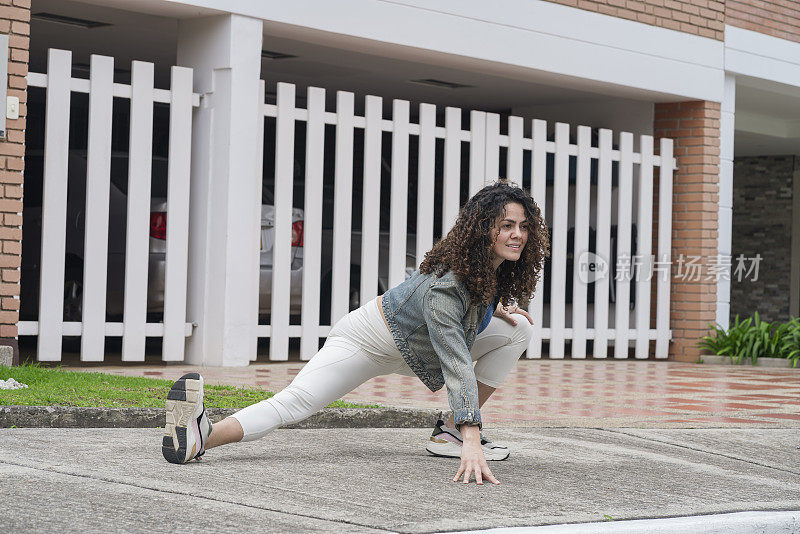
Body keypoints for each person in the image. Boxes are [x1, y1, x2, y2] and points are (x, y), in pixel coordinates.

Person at [161, 180, 550, 485]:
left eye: (522, 227)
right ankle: (201, 437)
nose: (517, 234)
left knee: (518, 330)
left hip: (417, 348)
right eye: (506, 226)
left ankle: (445, 432)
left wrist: (492, 306)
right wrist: (472, 437)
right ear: (484, 230)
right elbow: (456, 361)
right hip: (368, 340)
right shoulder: (447, 286)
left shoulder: (489, 269)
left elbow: (471, 304)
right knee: (295, 404)